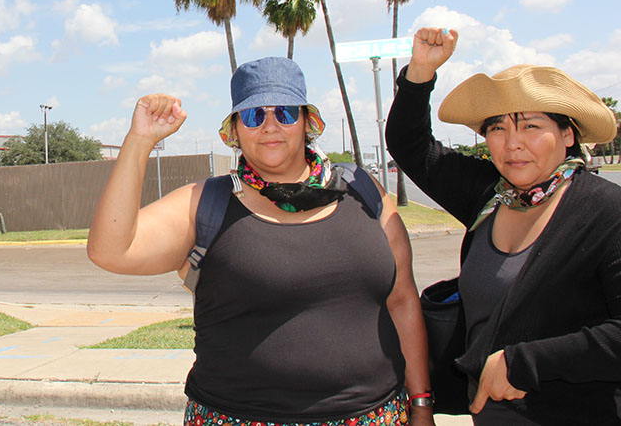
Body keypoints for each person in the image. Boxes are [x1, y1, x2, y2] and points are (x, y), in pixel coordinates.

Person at [88, 57, 434, 426]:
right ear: (235, 130)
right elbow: (110, 251)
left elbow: (402, 300)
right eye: (254, 115)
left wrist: (422, 405)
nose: (270, 126)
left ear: (306, 123)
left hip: (376, 416)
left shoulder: (364, 191)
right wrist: (139, 141)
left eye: (284, 112)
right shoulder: (205, 204)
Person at [385, 27, 621, 424]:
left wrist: (523, 362)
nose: (512, 143)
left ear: (567, 133)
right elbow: (410, 145)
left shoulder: (606, 211)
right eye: (498, 128)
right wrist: (420, 72)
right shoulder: (488, 195)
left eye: (530, 126)